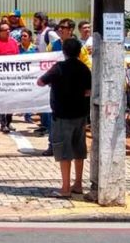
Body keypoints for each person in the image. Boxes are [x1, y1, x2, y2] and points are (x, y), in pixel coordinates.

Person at [37, 38, 91, 199]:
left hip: (62, 116)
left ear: (64, 51)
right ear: (79, 51)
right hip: (80, 115)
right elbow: (88, 91)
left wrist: (53, 84)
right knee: (79, 150)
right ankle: (78, 184)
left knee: (64, 152)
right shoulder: (84, 69)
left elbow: (40, 82)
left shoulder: (59, 68)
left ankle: (65, 188)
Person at [0, 22, 20, 133]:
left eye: (9, 29)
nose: (8, 31)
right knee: (2, 101)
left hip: (12, 76)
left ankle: (9, 121)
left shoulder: (13, 42)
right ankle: (3, 124)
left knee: (12, 100)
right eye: (5, 30)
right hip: (1, 77)